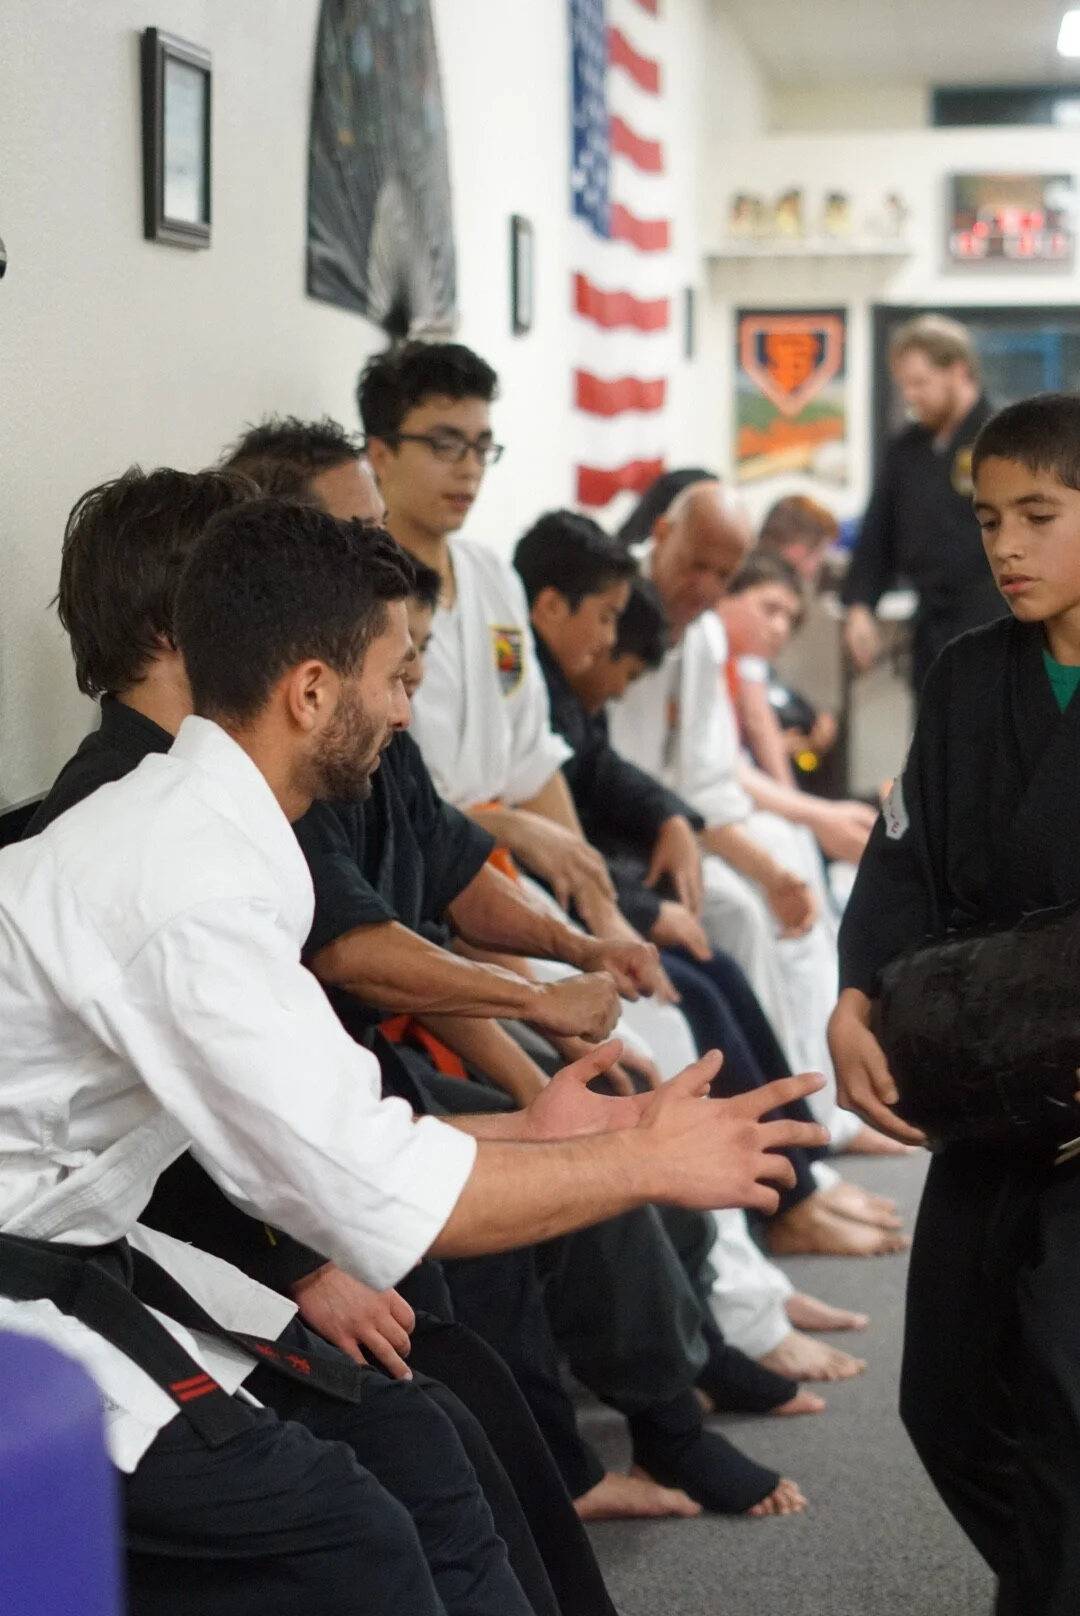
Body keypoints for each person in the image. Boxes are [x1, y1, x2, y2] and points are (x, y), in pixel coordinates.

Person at [0, 493, 830, 1611]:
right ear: (310, 692)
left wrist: (527, 1128)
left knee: (415, 1445)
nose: (409, 706)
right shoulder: (181, 877)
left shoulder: (225, 828)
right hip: (29, 1276)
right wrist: (646, 1159)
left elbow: (334, 1119)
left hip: (86, 1236)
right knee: (345, 1534)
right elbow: (373, 1192)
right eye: (396, 675)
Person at [829, 391, 1080, 1614]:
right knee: (946, 1400)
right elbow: (900, 854)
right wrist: (855, 997)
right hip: (988, 1095)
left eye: (1040, 513)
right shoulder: (971, 674)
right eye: (989, 520)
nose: (1007, 545)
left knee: (1068, 1401)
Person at [607, 480, 907, 1170]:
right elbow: (610, 776)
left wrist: (775, 861)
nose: (706, 587)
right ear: (661, 539)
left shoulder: (704, 634)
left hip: (678, 828)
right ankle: (793, 1142)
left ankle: (817, 1116)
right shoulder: (619, 612)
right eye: (699, 567)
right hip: (629, 844)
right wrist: (763, 866)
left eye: (722, 573)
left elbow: (707, 781)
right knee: (745, 906)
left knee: (787, 865)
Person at [840, 314, 1005, 693]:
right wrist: (860, 606)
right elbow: (877, 533)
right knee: (934, 742)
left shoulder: (1002, 438)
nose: (911, 395)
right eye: (904, 386)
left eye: (920, 383)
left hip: (995, 620)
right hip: (931, 625)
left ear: (957, 371)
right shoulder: (907, 449)